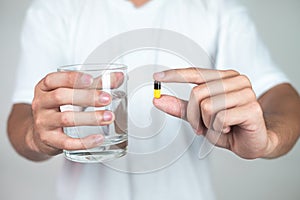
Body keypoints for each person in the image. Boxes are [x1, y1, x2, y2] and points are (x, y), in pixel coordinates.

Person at [7, 0, 300, 199]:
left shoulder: (217, 9)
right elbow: (21, 112)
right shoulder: (54, 10)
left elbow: (280, 94)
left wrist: (269, 139)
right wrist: (35, 135)